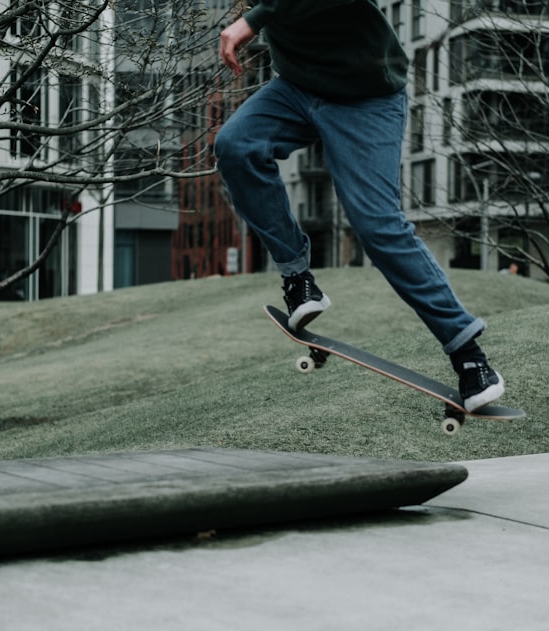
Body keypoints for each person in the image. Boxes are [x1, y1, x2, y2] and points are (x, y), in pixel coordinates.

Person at [214, 0, 504, 412]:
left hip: (365, 97)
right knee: (236, 145)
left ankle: (469, 357)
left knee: (379, 227)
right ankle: (299, 280)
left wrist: (253, 20)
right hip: (297, 88)